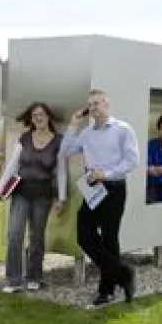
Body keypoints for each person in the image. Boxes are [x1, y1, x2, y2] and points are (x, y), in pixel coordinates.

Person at [59, 88, 140, 306]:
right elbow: (65, 150)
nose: (93, 108)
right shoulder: (86, 133)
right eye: (90, 104)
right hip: (92, 188)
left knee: (109, 239)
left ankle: (107, 290)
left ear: (107, 104)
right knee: (84, 236)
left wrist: (107, 173)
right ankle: (124, 273)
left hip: (113, 189)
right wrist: (73, 124)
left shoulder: (123, 129)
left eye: (97, 103)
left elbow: (132, 161)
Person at [0, 102, 68, 293]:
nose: (38, 118)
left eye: (41, 114)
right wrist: (1, 187)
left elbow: (61, 171)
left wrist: (61, 196)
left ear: (48, 117)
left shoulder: (59, 141)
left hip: (43, 195)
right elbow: (12, 164)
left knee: (36, 237)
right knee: (14, 234)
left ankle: (34, 277)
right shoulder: (25, 138)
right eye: (35, 115)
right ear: (31, 119)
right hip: (21, 193)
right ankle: (14, 280)